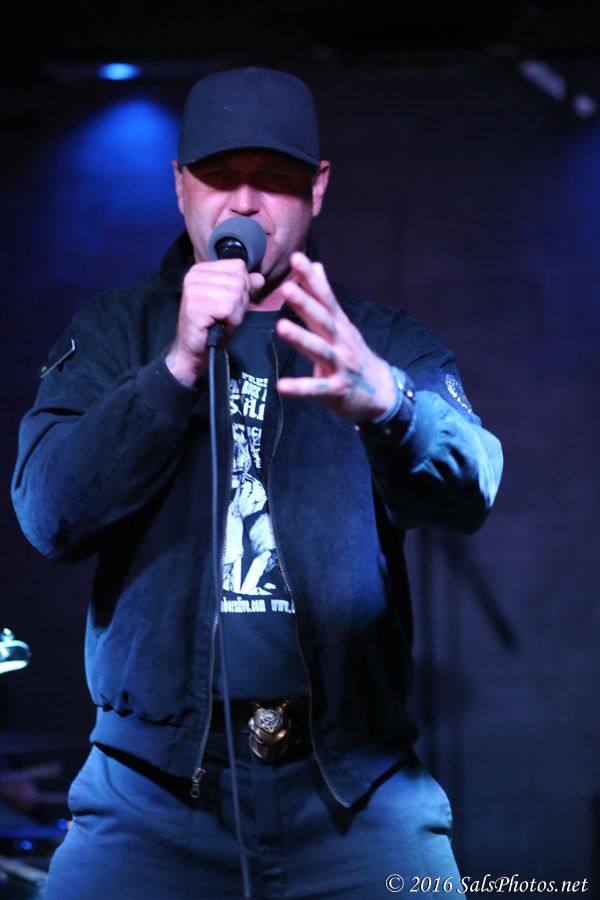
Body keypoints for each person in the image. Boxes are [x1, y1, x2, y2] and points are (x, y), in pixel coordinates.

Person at [11, 67, 503, 899]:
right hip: (152, 796)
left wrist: (389, 404)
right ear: (180, 187)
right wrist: (173, 369)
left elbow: (471, 488)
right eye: (219, 176)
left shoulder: (376, 341)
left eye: (272, 177)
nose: (244, 202)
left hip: (353, 792)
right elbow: (50, 513)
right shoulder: (113, 332)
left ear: (317, 189)